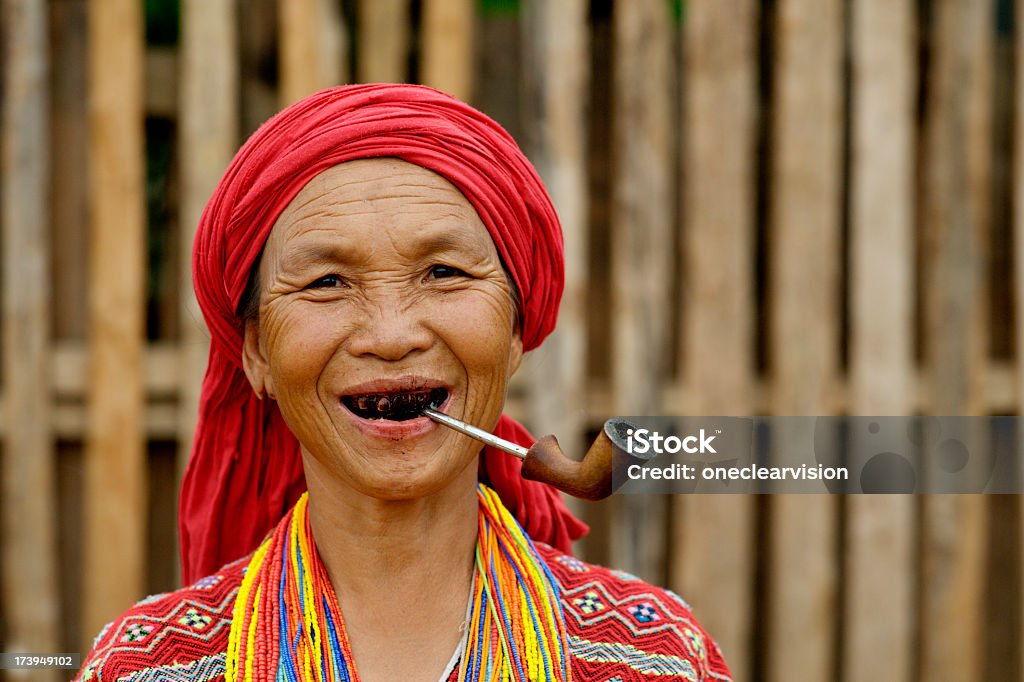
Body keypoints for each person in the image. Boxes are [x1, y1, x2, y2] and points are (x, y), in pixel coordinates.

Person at [76, 84, 732, 682]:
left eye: (444, 272)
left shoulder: (651, 657)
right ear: (256, 354)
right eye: (326, 282)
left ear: (514, 332)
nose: (391, 336)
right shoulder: (150, 665)